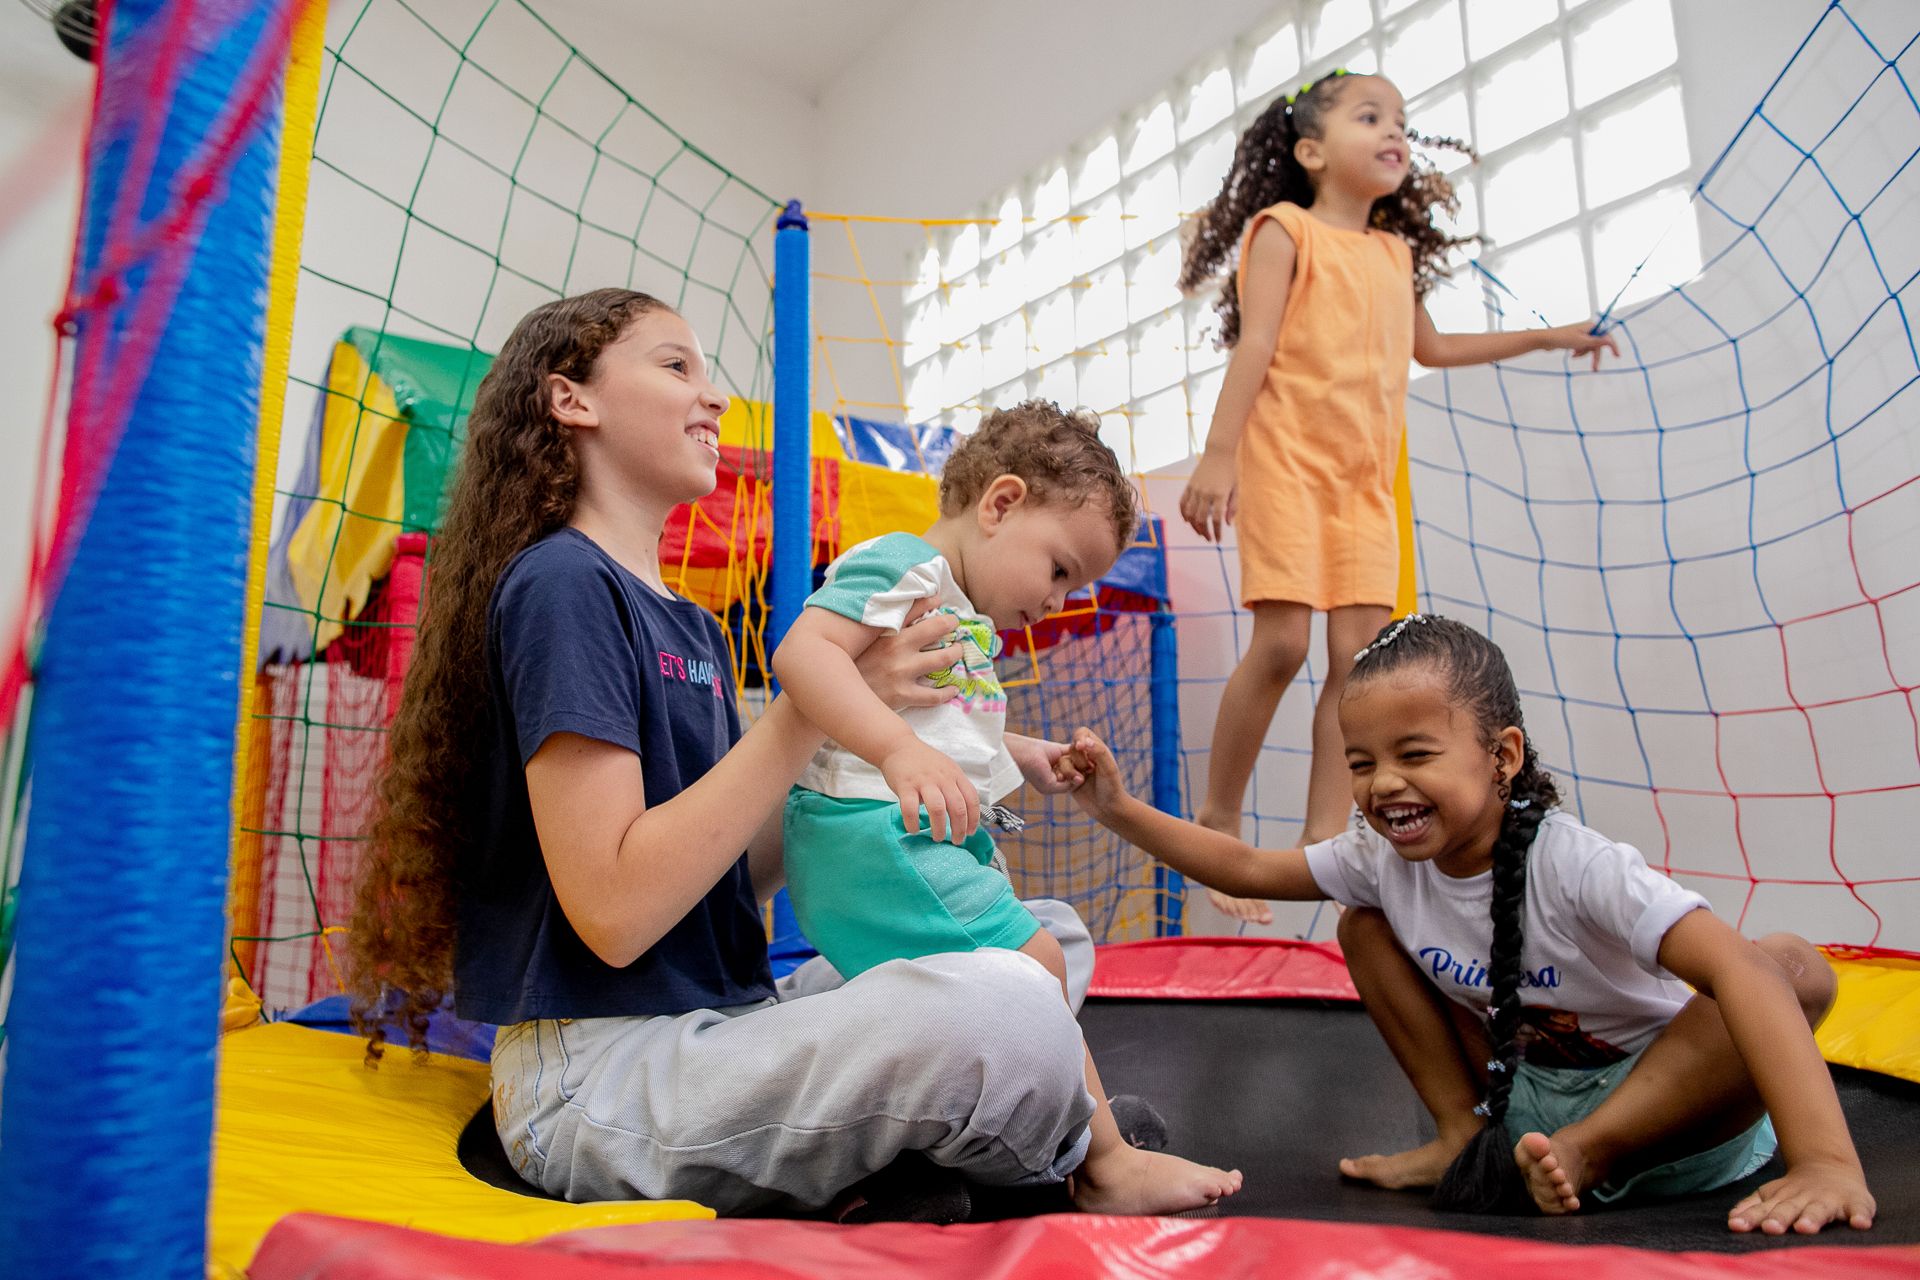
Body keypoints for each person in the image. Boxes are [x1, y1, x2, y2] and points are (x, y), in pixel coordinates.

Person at [347, 289, 1105, 1220]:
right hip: (599, 1074)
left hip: (720, 1023)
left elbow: (721, 884)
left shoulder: (698, 632)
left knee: (1046, 939)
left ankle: (953, 1143)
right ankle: (1061, 1148)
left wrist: (870, 781)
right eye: (676, 368)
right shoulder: (562, 586)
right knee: (1007, 1006)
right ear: (571, 401)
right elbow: (618, 913)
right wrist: (810, 716)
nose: (712, 397)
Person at [1059, 614, 1876, 1234]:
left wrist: (1828, 1164)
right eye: (1361, 762)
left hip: (1664, 1113)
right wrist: (1119, 809)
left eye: (1415, 755)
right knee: (1361, 927)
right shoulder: (1378, 859)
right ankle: (1459, 1134)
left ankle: (1592, 1152)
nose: (1384, 784)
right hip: (1518, 1117)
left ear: (1503, 756)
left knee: (1791, 965)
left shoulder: (1577, 863)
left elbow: (1743, 974)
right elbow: (1244, 867)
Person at [771, 400, 1242, 1216]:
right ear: (999, 504)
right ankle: (1103, 1163)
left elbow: (943, 724)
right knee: (1034, 967)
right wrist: (895, 751)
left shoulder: (956, 609)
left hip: (884, 843)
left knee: (1010, 965)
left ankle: (927, 1153)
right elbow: (801, 654)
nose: (1061, 601)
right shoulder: (902, 566)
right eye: (1060, 570)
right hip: (867, 840)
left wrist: (1024, 752)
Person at [1175, 70, 1618, 923]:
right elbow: (1255, 343)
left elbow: (1435, 347)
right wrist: (1218, 456)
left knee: (1356, 668)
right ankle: (1218, 824)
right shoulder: (1285, 230)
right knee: (1282, 647)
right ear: (1311, 151)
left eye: (1403, 123)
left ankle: (1320, 847)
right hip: (1289, 463)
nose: (1395, 134)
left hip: (1364, 485)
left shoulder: (1392, 251)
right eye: (1370, 117)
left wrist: (1548, 334)